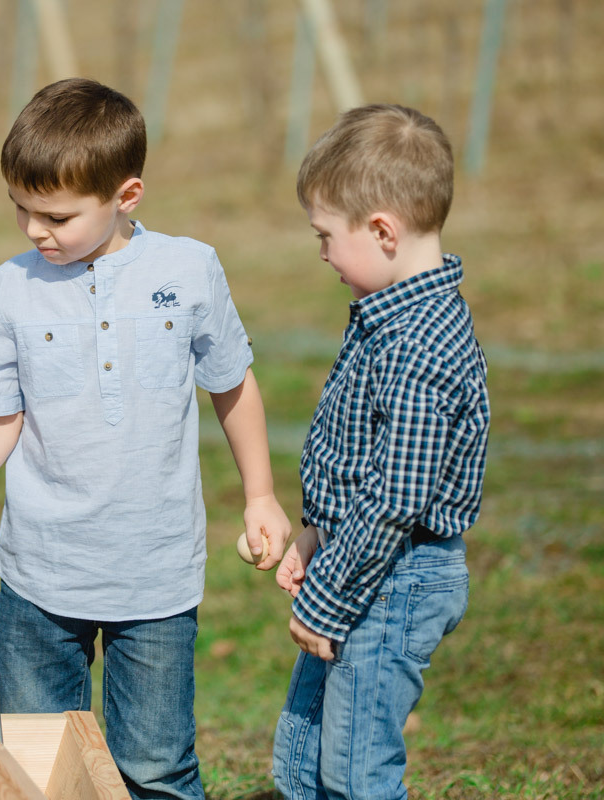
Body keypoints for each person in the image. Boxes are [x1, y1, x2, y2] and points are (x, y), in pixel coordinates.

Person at [0, 78, 292, 799]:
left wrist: (262, 495)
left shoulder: (189, 271)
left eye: (54, 215)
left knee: (155, 766)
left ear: (127, 195)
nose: (33, 230)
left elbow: (231, 384)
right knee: (37, 762)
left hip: (155, 578)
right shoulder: (8, 291)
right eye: (20, 209)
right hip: (40, 576)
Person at [272, 104, 490, 800]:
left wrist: (327, 600)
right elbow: (360, 459)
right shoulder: (385, 317)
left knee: (356, 772)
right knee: (301, 761)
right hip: (359, 558)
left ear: (383, 232)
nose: (324, 255)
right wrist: (315, 532)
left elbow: (398, 499)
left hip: (398, 576)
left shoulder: (421, 346)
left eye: (326, 237)